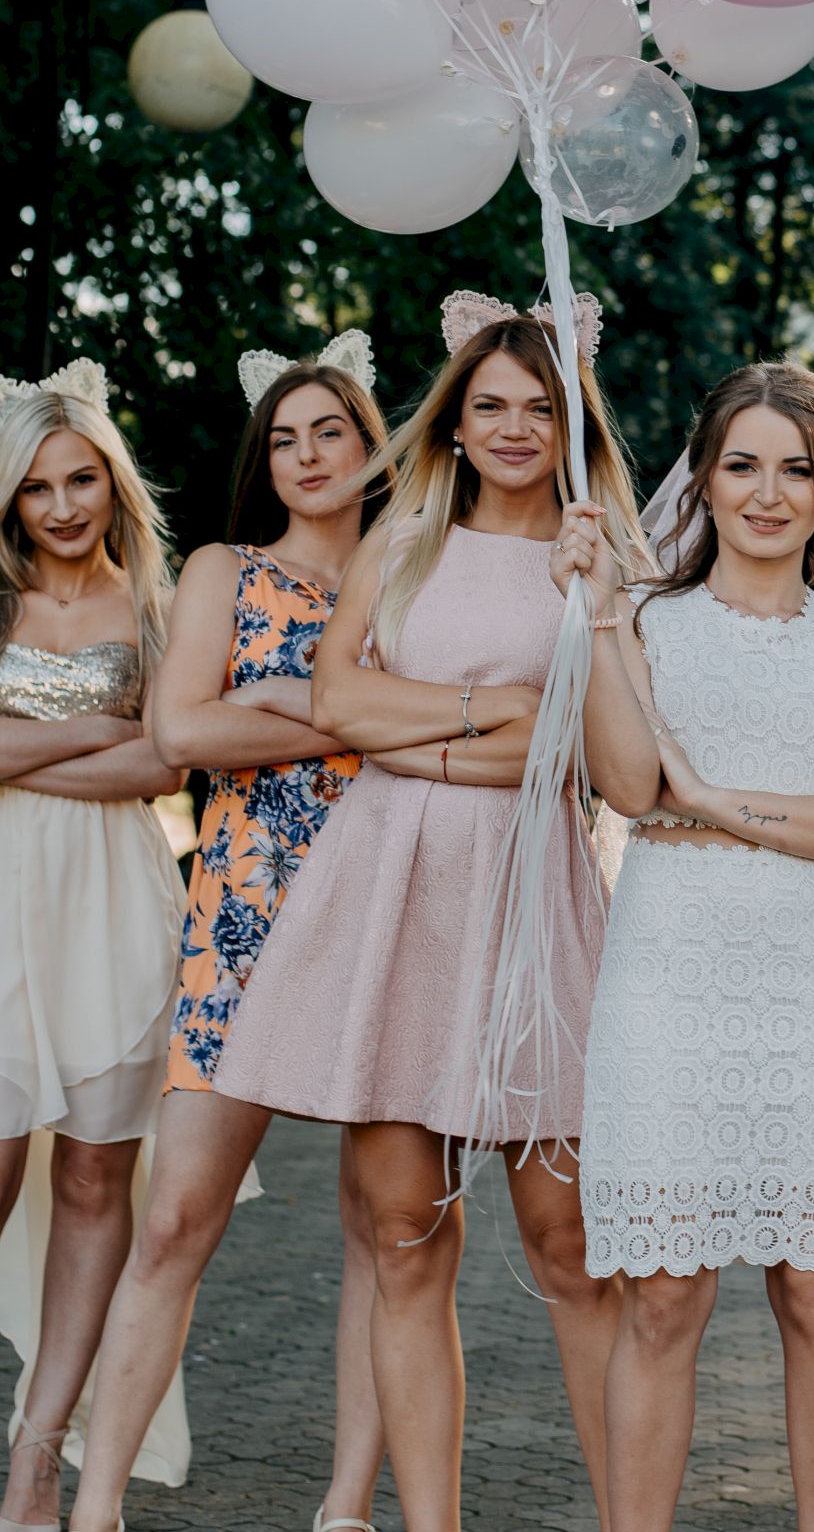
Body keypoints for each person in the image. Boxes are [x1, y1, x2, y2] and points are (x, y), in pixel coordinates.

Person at [210, 294, 647, 1532]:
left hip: (530, 899)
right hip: (392, 887)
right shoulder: (402, 537)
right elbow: (337, 700)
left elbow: (600, 758)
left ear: (572, 422)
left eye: (540, 408)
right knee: (404, 1228)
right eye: (490, 404)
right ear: (453, 422)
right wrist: (487, 716)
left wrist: (452, 716)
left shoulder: (602, 548)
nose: (514, 427)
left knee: (568, 1241)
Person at [553, 359, 814, 1532]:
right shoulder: (644, 620)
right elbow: (623, 782)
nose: (769, 493)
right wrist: (600, 611)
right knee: (663, 1295)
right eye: (743, 464)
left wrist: (707, 798)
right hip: (669, 976)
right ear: (702, 478)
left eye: (795, 470)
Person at [69, 335, 392, 1532]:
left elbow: (445, 741)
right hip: (244, 916)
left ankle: (347, 1505)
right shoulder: (226, 570)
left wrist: (281, 702)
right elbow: (185, 737)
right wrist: (349, 719)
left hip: (383, 912)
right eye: (288, 437)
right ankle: (94, 1503)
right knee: (174, 1217)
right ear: (267, 457)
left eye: (333, 433)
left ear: (373, 451)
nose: (307, 456)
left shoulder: (414, 584)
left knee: (391, 1227)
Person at [0, 365, 183, 1532]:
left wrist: (22, 740)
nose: (64, 508)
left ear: (112, 484)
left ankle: (37, 1452)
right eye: (36, 490)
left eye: (82, 481)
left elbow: (167, 763)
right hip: (5, 897)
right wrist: (97, 729)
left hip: (120, 906)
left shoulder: (160, 608)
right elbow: (128, 745)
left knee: (91, 1174)